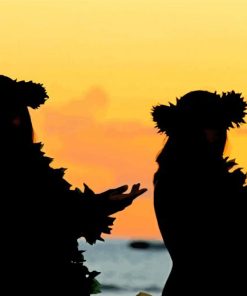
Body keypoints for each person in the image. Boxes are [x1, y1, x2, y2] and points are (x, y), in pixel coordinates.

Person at [0, 74, 147, 295]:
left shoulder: (34, 167)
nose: (16, 122)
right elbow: (48, 218)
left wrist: (105, 201)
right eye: (6, 115)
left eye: (19, 114)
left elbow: (63, 211)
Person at [151, 90, 247, 295]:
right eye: (210, 125)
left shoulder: (209, 179)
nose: (219, 133)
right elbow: (207, 244)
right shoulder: (177, 180)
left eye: (221, 125)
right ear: (188, 130)